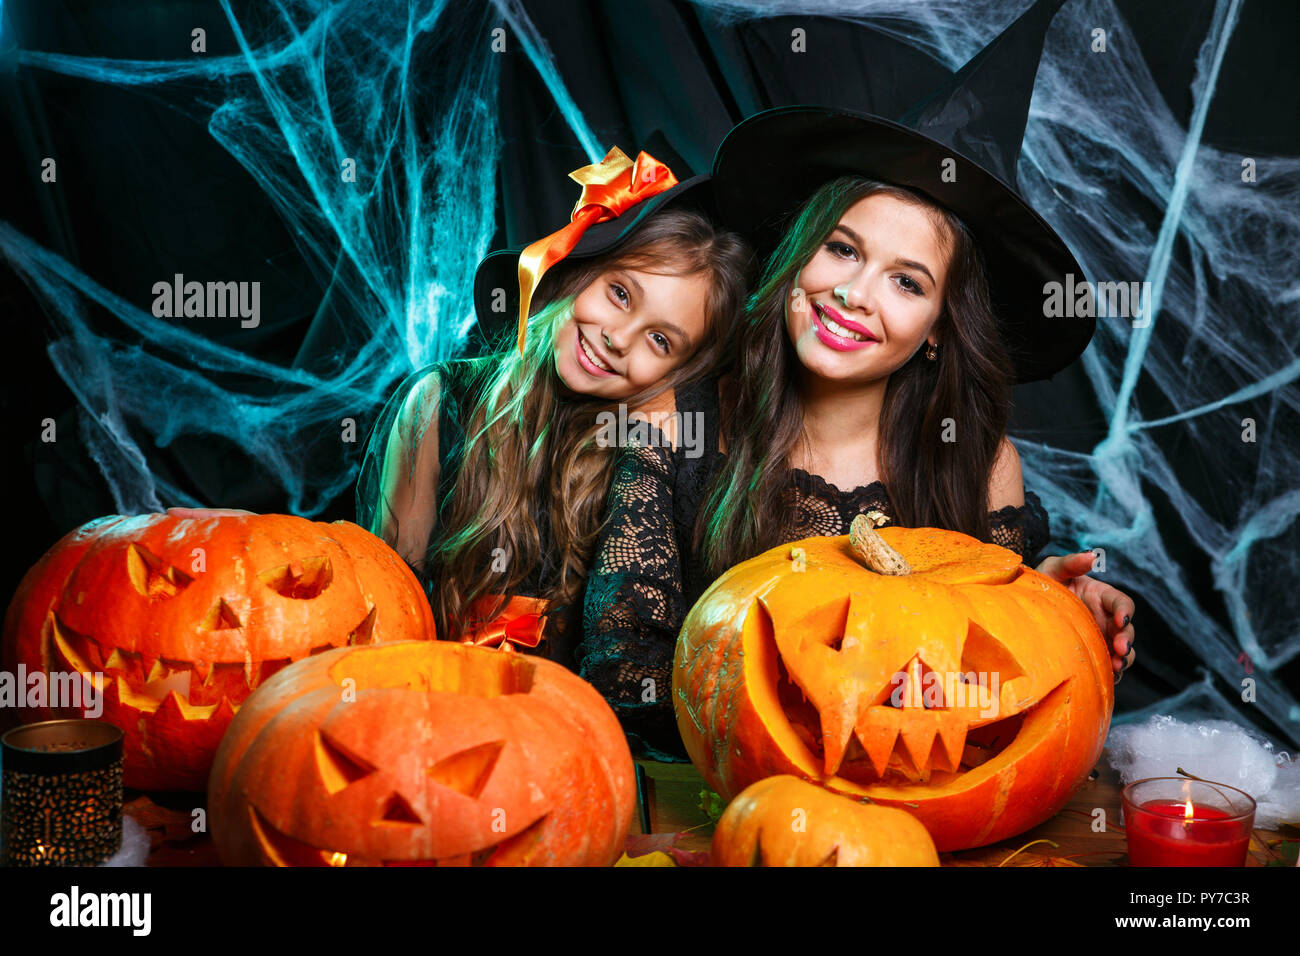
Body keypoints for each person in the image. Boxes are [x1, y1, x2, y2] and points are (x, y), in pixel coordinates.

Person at [580, 107, 1138, 760]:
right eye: (842, 249)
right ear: (797, 255)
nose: (853, 293)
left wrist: (1055, 615)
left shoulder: (981, 463)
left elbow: (981, 686)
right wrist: (810, 730)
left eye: (906, 282)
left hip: (908, 812)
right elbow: (624, 673)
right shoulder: (674, 425)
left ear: (937, 327)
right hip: (714, 801)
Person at [355, 147, 751, 668]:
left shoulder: (653, 460)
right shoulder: (438, 403)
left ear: (678, 372)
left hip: (581, 730)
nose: (617, 337)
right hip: (435, 704)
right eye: (620, 294)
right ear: (576, 270)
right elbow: (388, 608)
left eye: (659, 340)